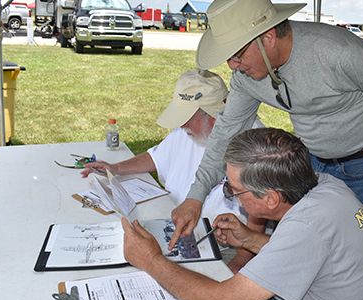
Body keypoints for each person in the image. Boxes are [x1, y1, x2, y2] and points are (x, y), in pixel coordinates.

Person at [170, 0, 363, 245]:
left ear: (269, 38)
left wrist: (358, 126)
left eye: (237, 55)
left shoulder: (338, 52)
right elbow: (225, 132)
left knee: (356, 248)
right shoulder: (246, 76)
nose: (231, 66)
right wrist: (195, 197)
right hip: (311, 164)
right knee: (310, 245)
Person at [122, 128, 363, 300]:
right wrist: (251, 240)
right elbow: (315, 255)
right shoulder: (327, 186)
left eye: (233, 189)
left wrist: (150, 260)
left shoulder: (308, 226)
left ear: (270, 199)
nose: (230, 196)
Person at [81, 68, 265, 272]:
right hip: (176, 231)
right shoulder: (186, 132)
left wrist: (240, 261)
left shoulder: (254, 144)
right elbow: (156, 157)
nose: (182, 124)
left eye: (187, 118)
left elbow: (260, 216)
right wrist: (115, 168)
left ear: (214, 116)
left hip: (225, 248)